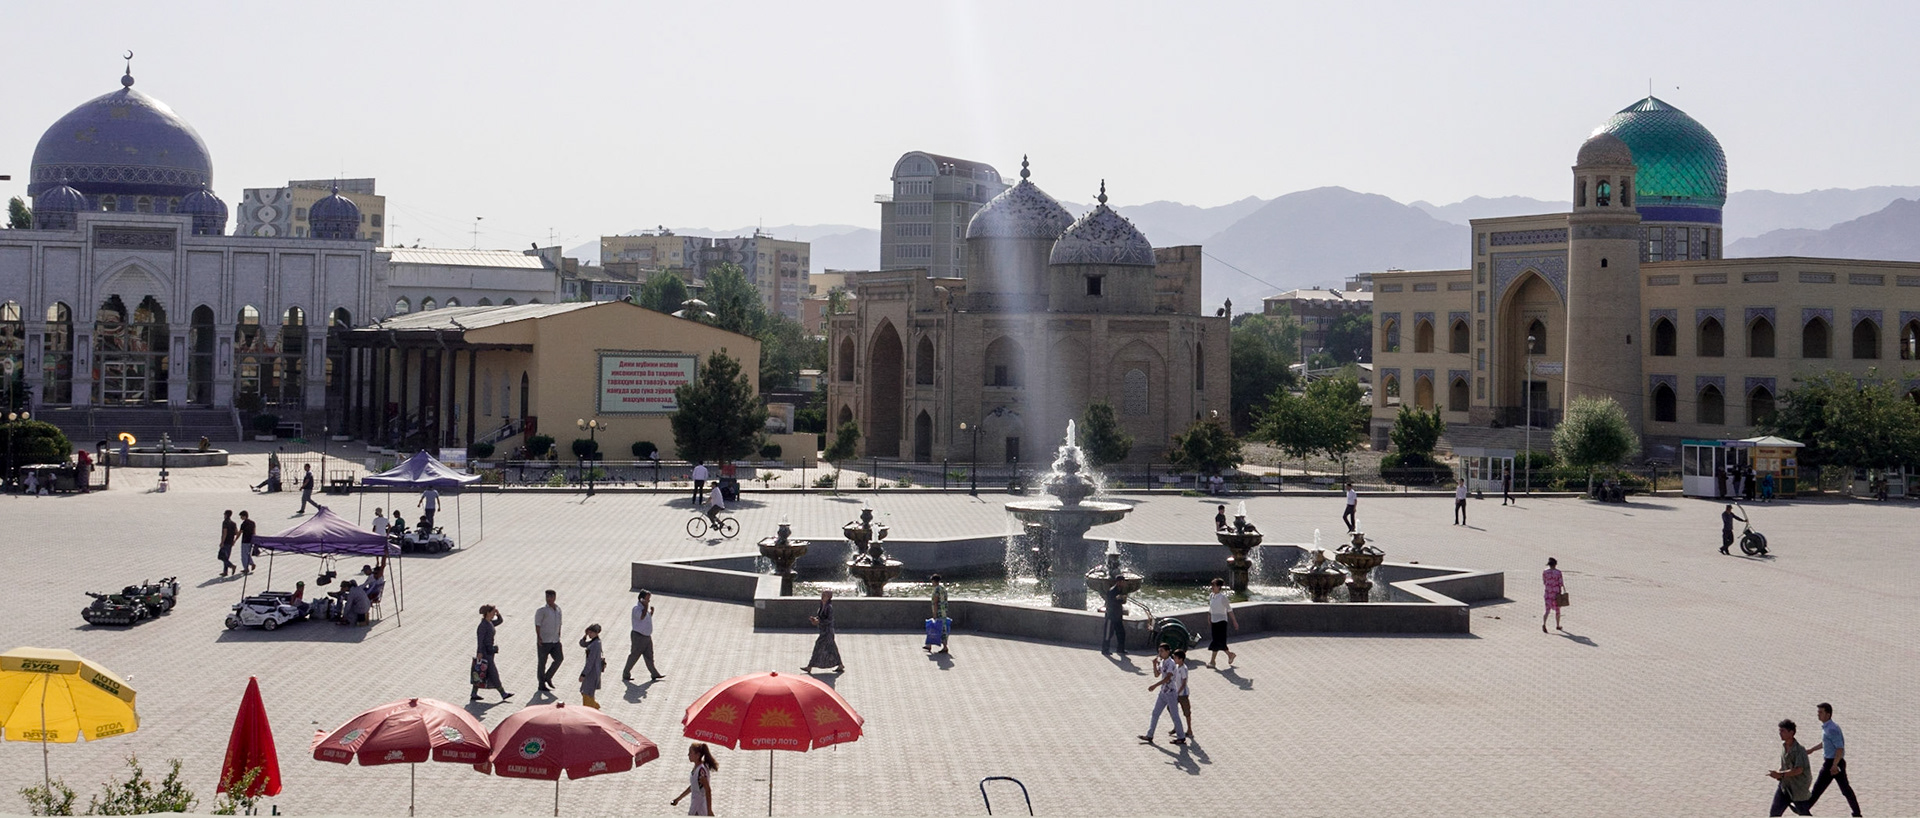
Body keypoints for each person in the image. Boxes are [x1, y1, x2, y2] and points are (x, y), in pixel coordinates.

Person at [1805, 702, 1862, 817]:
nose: (1818, 715)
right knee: (1844, 790)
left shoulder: (1832, 729)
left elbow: (1840, 748)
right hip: (1833, 762)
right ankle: (1857, 813)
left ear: (1828, 714)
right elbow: (1826, 743)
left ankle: (1804, 809)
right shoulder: (1827, 727)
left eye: (1821, 712)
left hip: (1833, 763)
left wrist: (1834, 765)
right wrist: (1812, 749)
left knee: (1819, 788)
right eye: (1818, 712)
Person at [1139, 643, 1186, 745]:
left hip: (1171, 693)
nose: (1160, 653)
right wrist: (1154, 665)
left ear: (1168, 652)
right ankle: (1150, 735)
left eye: (1162, 651)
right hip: (1163, 693)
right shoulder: (1162, 662)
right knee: (1155, 713)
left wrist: (1154, 685)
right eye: (1159, 651)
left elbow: (1167, 678)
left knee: (1175, 715)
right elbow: (1157, 675)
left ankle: (1181, 737)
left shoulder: (1171, 663)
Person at [1768, 718, 1814, 816]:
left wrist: (1781, 774)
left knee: (1803, 813)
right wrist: (1779, 774)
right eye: (1780, 731)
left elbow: (1798, 770)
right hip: (1785, 787)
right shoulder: (1784, 746)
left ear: (1791, 732)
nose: (1780, 733)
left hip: (1798, 789)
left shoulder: (1799, 750)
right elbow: (1785, 764)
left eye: (1783, 731)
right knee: (1774, 813)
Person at [470, 605, 514, 702]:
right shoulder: (483, 626)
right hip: (485, 653)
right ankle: (503, 693)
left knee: (482, 673)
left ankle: (474, 693)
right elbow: (480, 640)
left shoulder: (489, 623)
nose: (494, 613)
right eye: (493, 611)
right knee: (493, 673)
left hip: (490, 652)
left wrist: (499, 615)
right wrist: (479, 652)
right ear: (488, 613)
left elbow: (499, 621)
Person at [623, 590, 666, 682]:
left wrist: (651, 613)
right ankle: (626, 673)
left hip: (647, 636)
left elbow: (646, 618)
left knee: (649, 656)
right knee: (634, 655)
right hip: (638, 636)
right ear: (641, 599)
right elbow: (641, 617)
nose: (648, 602)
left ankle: (654, 673)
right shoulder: (636, 609)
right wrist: (646, 607)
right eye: (647, 599)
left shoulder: (645, 610)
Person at [801, 589, 844, 673]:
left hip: (827, 632)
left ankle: (809, 666)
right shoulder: (822, 606)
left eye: (825, 596)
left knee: (818, 646)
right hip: (823, 631)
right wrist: (815, 619)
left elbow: (830, 620)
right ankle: (840, 665)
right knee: (832, 648)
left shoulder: (829, 607)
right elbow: (820, 617)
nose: (823, 597)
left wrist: (819, 621)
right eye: (823, 595)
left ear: (829, 598)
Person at [670, 743, 718, 816]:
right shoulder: (696, 768)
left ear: (697, 755)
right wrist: (678, 799)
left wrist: (709, 810)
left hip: (700, 807)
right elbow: (693, 786)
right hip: (695, 806)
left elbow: (708, 790)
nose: (688, 755)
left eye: (690, 753)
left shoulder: (701, 771)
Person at [534, 590, 564, 692]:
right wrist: (539, 637)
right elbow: (537, 625)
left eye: (551, 597)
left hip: (555, 640)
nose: (549, 599)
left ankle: (548, 676)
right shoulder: (541, 611)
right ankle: (541, 684)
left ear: (555, 597)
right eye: (547, 597)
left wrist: (559, 633)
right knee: (542, 663)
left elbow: (560, 623)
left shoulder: (558, 610)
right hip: (544, 641)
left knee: (559, 658)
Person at [1206, 578, 1238, 667]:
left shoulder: (1222, 598)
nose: (1212, 587)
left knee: (1216, 641)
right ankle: (1230, 655)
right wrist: (1209, 616)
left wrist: (1234, 622)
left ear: (1219, 587)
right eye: (1212, 585)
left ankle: (1212, 661)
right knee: (1219, 642)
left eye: (1214, 586)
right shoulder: (1211, 596)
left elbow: (1229, 610)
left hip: (1221, 622)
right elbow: (1211, 608)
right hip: (1214, 621)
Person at [1100, 574, 1127, 657]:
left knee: (1121, 633)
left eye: (1123, 582)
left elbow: (1122, 602)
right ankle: (1105, 650)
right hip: (1111, 616)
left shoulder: (1120, 590)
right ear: (1118, 582)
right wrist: (1118, 599)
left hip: (1118, 616)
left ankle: (1120, 649)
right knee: (1108, 633)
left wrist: (1123, 598)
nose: (1123, 583)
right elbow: (1110, 603)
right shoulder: (1112, 591)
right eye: (1121, 582)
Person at [578, 624, 604, 709]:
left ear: (596, 633)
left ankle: (593, 709)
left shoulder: (596, 644)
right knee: (586, 693)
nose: (590, 634)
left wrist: (583, 674)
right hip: (591, 672)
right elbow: (582, 644)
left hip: (592, 673)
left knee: (587, 693)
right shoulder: (594, 641)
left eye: (591, 632)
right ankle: (595, 707)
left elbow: (590, 662)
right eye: (589, 632)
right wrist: (585, 635)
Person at [1170, 648, 1193, 739]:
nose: (1174, 659)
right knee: (1171, 709)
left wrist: (1178, 692)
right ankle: (1176, 726)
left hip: (1183, 694)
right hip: (1175, 693)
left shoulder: (1183, 669)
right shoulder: (1176, 667)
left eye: (1175, 658)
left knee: (1186, 712)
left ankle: (1189, 729)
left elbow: (1184, 683)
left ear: (1181, 659)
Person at [925, 574, 950, 654]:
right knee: (938, 628)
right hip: (944, 612)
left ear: (933, 581)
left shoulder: (936, 590)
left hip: (938, 612)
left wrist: (934, 613)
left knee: (937, 629)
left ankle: (945, 647)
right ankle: (929, 645)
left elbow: (935, 602)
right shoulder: (943, 589)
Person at [1542, 557, 1565, 632]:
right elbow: (1561, 583)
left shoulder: (1545, 572)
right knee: (1557, 610)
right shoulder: (1558, 572)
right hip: (1556, 594)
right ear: (1555, 564)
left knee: (1547, 610)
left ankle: (1544, 624)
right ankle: (1557, 625)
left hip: (1548, 593)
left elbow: (1544, 582)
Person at [217, 510, 238, 577]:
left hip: (226, 541)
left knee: (221, 556)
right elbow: (236, 532)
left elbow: (224, 533)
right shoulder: (233, 523)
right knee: (226, 557)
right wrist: (233, 540)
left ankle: (232, 566)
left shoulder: (225, 522)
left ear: (226, 515)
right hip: (230, 541)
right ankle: (225, 572)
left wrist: (222, 542)